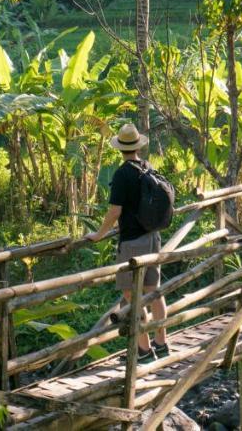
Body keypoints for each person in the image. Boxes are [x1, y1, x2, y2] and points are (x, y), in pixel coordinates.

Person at [83, 122, 171, 362]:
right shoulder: (147, 166)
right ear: (137, 146)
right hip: (152, 237)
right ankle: (161, 343)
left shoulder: (123, 174)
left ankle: (143, 349)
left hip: (132, 241)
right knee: (154, 291)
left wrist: (99, 234)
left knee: (132, 295)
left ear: (120, 147)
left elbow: (114, 212)